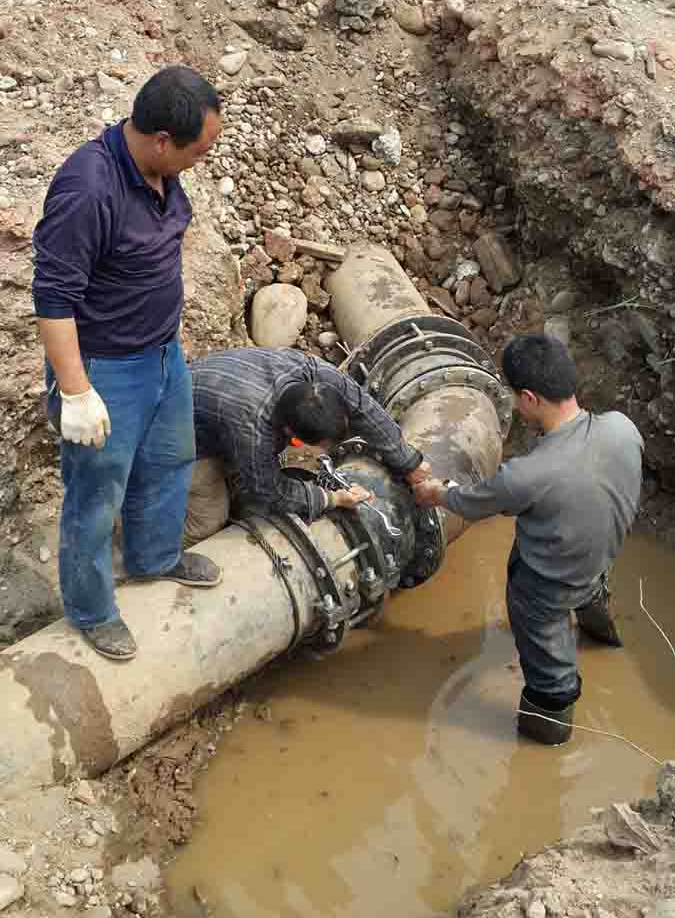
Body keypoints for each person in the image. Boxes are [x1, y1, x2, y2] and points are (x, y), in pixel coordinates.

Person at [32, 65, 224, 662]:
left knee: (168, 463)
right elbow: (53, 297)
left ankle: (155, 558)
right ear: (163, 140)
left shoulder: (159, 172)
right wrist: (76, 391)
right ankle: (91, 610)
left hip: (163, 355)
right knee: (96, 494)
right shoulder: (88, 187)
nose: (203, 160)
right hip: (105, 369)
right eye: (199, 151)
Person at [413, 334, 643, 746]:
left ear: (530, 398)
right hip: (598, 558)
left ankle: (546, 737)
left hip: (544, 589)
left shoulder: (525, 475)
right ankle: (603, 638)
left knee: (552, 678)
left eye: (515, 397)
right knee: (590, 591)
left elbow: (470, 503)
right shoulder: (623, 429)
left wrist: (436, 492)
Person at [189, 348, 431, 525]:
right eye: (322, 446)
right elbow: (270, 493)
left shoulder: (314, 374)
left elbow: (362, 408)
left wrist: (409, 462)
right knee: (209, 519)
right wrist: (332, 498)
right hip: (176, 431)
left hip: (217, 386)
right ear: (289, 431)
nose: (325, 453)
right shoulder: (253, 428)